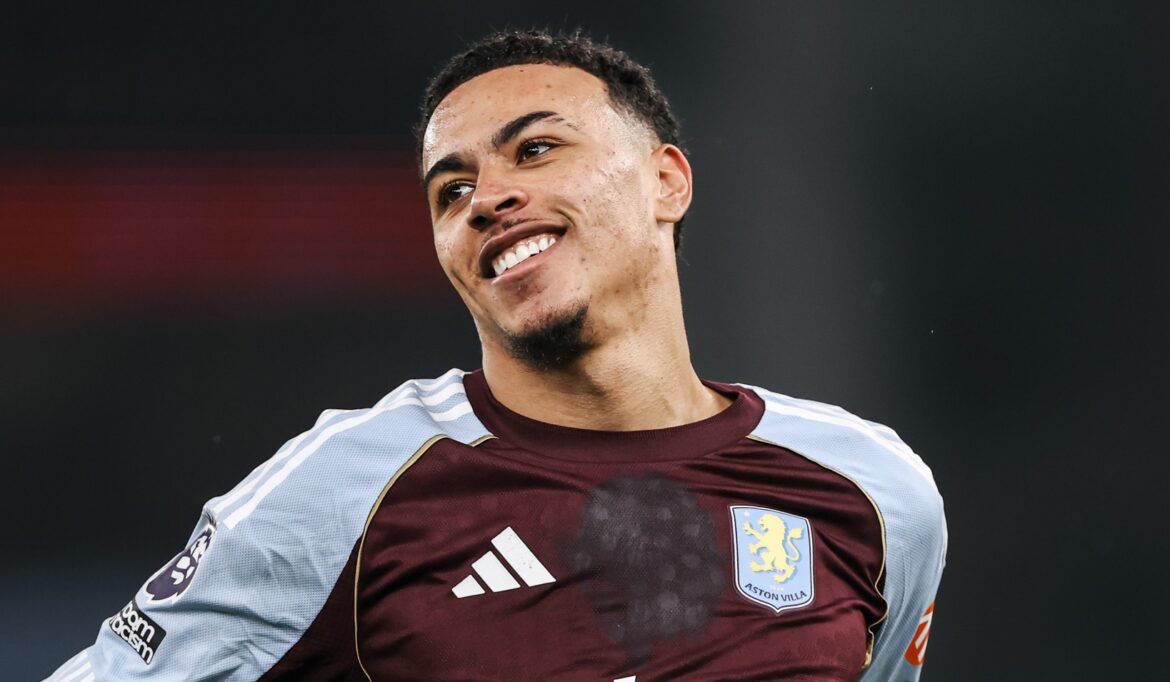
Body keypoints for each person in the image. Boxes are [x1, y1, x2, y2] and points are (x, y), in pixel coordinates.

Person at [46, 30, 946, 682]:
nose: (486, 199)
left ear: (666, 181)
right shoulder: (347, 489)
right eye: (452, 191)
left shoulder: (875, 492)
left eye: (537, 149)